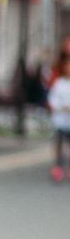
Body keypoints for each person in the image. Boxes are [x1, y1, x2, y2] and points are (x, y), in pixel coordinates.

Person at [48, 54, 70, 183]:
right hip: (61, 121)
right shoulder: (59, 83)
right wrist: (61, 107)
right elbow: (53, 99)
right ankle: (58, 168)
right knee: (59, 145)